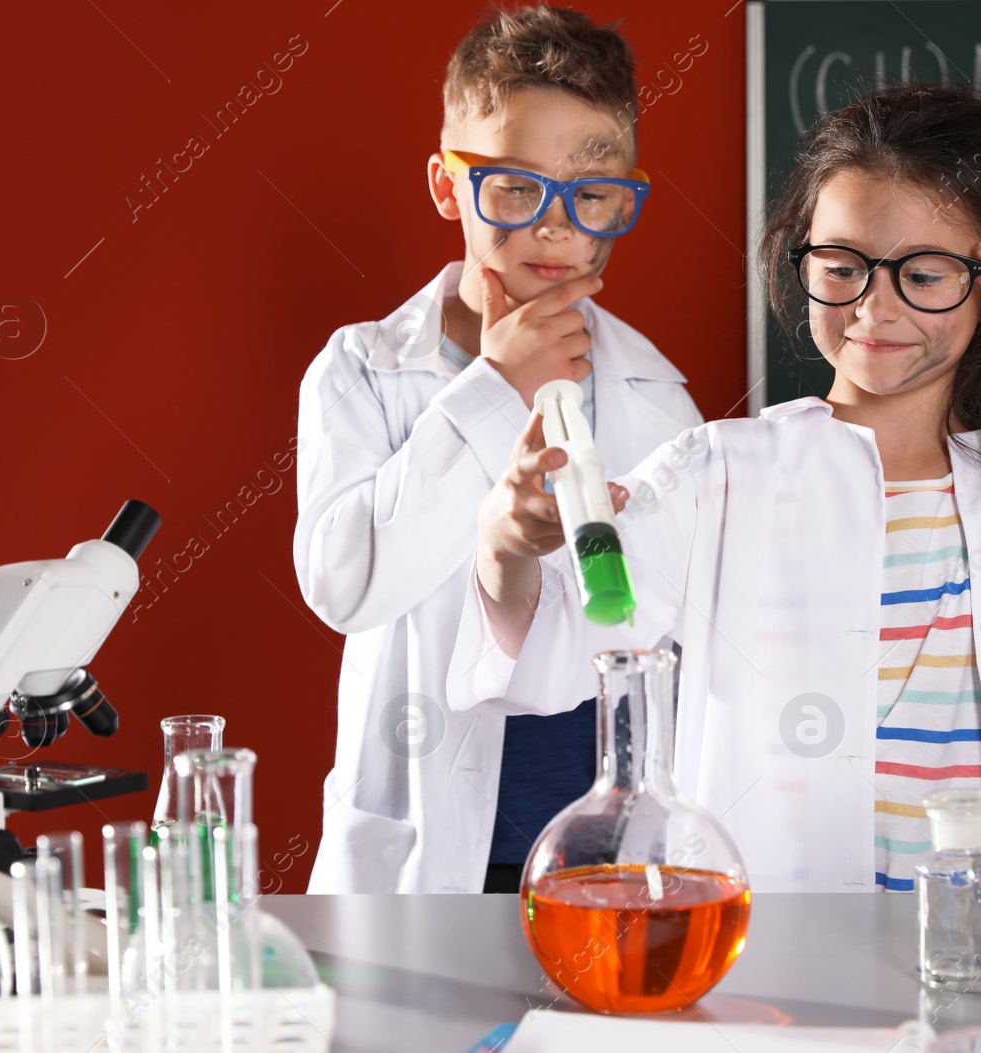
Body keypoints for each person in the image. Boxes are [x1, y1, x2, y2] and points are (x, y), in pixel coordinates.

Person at [449, 84, 981, 892]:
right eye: (843, 266)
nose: (872, 306)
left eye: (923, 275)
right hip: (789, 954)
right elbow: (563, 651)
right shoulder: (718, 470)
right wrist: (506, 545)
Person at [294, 5, 702, 894]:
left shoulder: (656, 392)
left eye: (589, 193)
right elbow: (345, 583)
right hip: (426, 849)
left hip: (603, 845)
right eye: (515, 187)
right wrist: (493, 386)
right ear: (448, 187)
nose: (554, 227)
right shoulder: (361, 370)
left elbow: (662, 634)